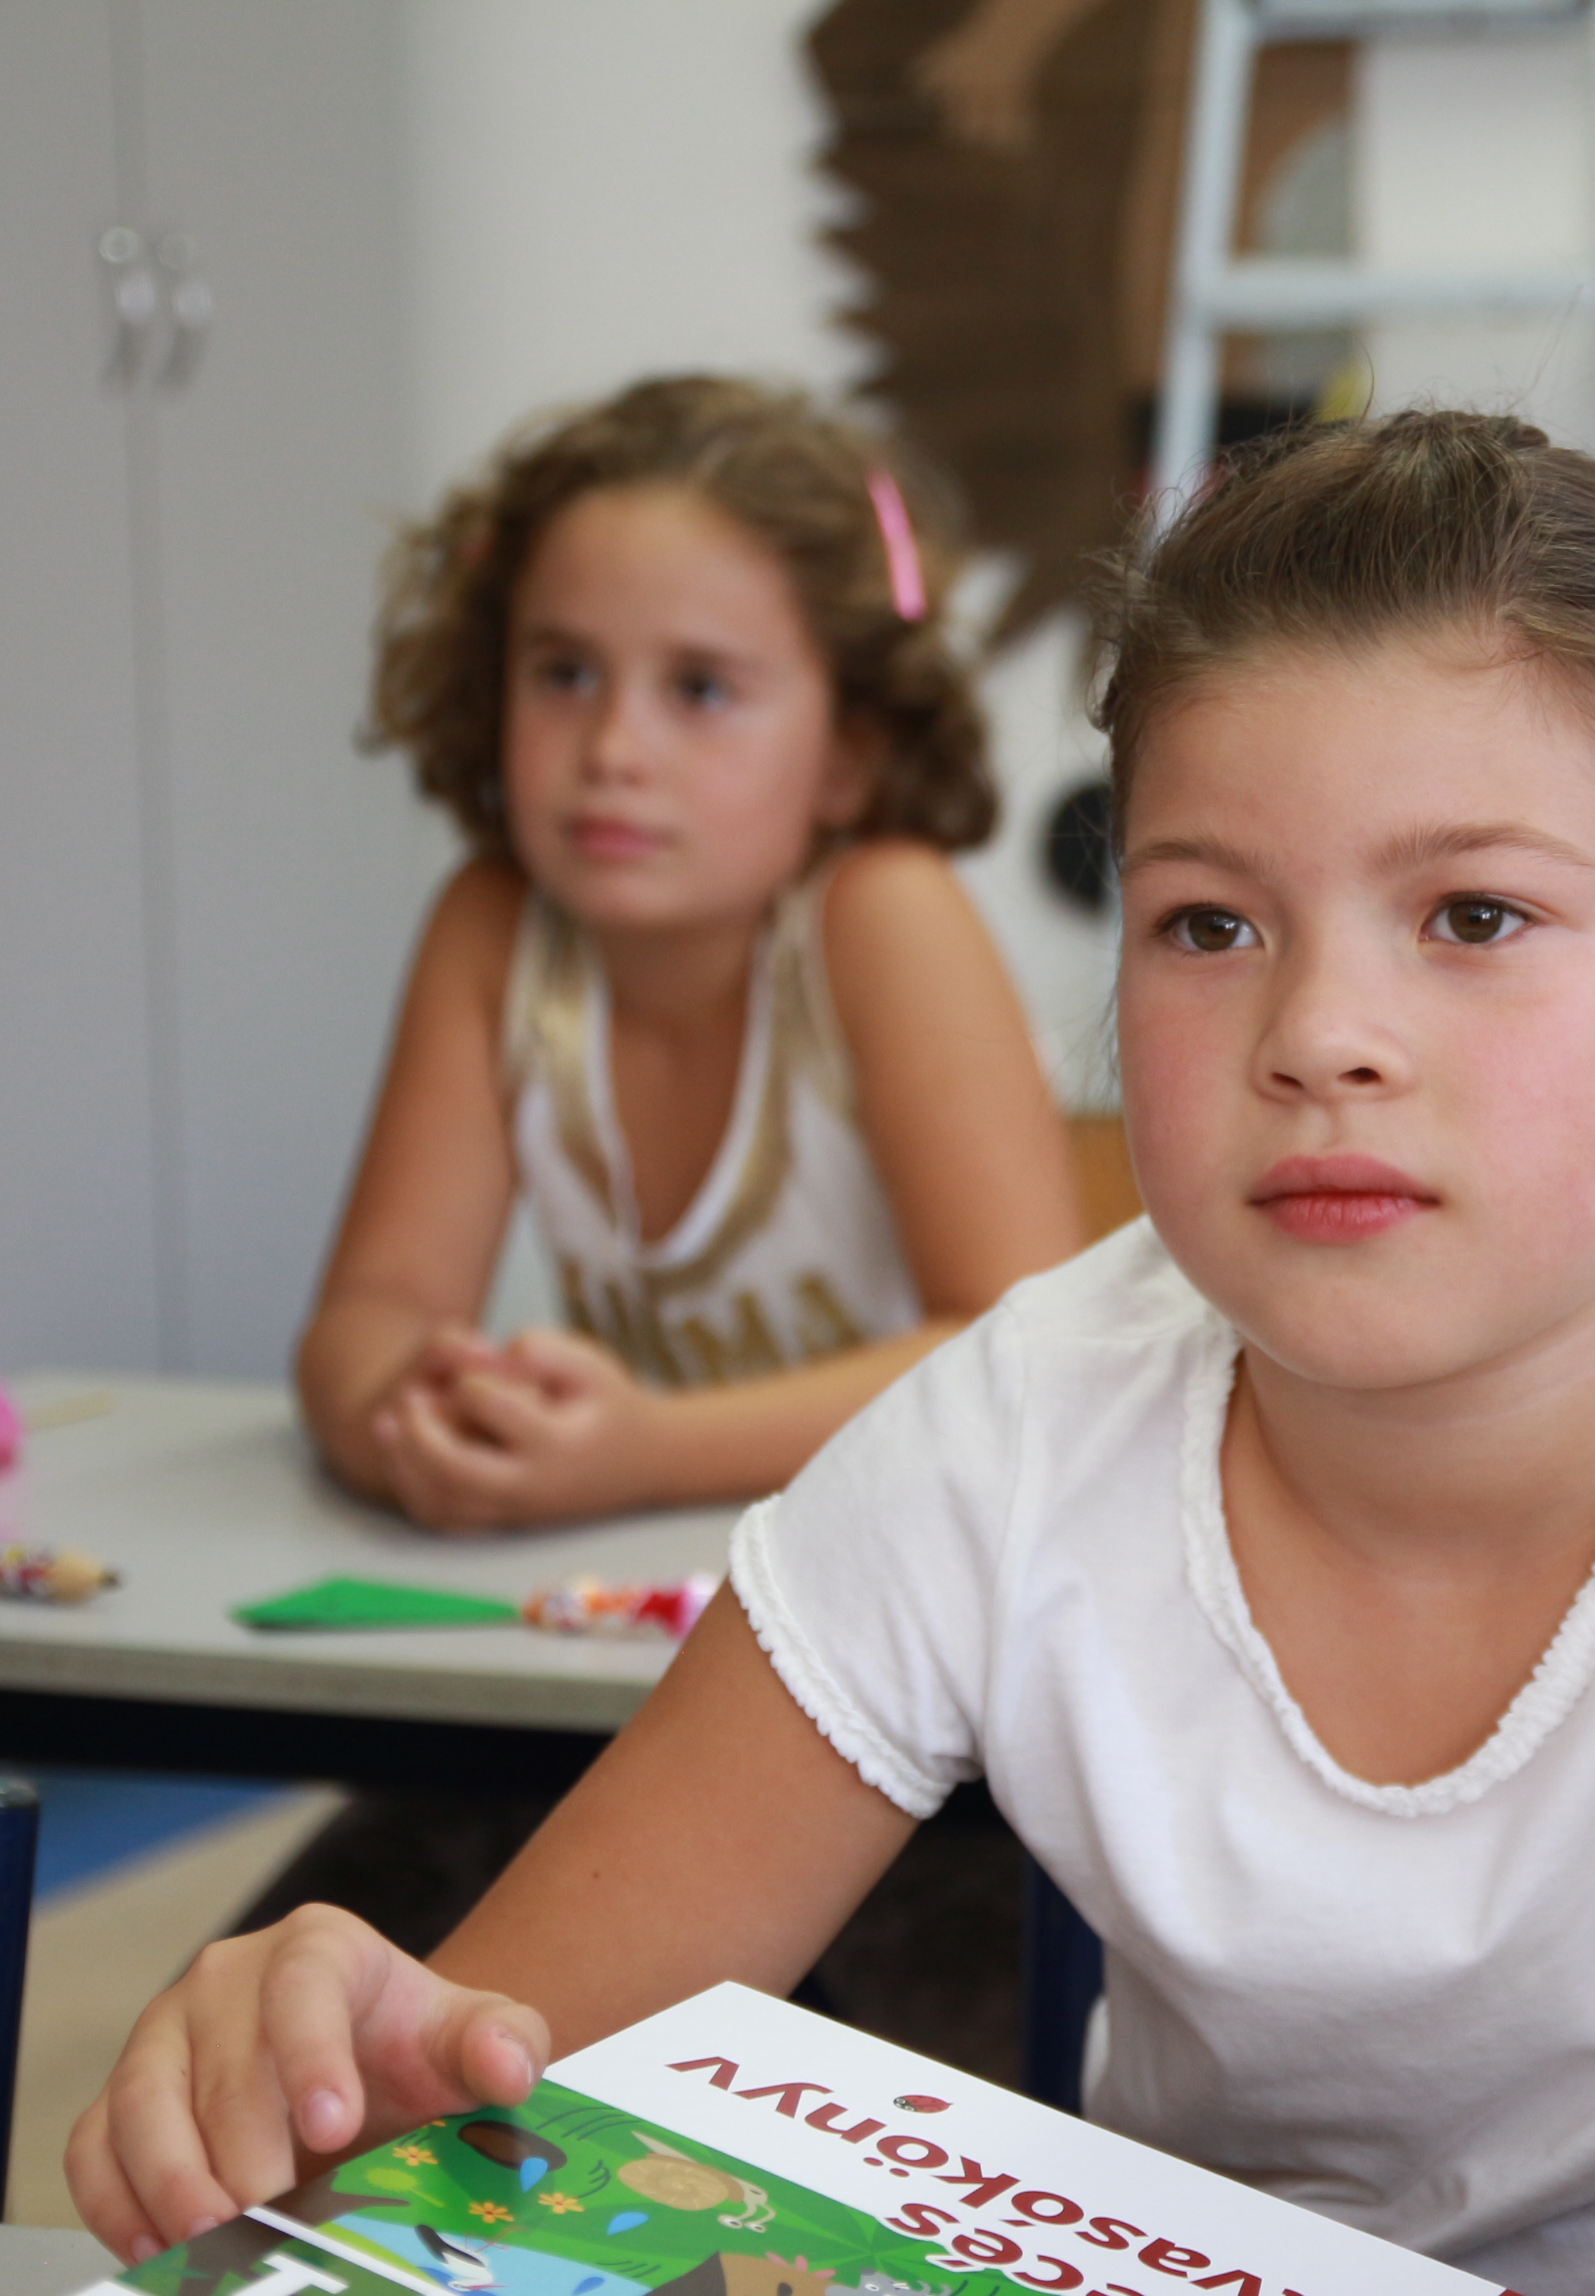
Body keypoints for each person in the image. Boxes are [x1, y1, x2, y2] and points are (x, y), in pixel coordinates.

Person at [74, 413, 1595, 2296]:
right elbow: (492, 2101)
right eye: (1209, 922)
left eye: (1474, 917)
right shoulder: (1020, 1426)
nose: (1322, 1032)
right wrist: (335, 2058)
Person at [299, 375, 1084, 1529]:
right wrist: (422, 1426)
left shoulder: (886, 918)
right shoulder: (493, 929)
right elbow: (372, 1309)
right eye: (564, 673)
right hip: (658, 1578)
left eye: (702, 689)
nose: (614, 749)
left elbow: (1018, 1357)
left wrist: (650, 1454)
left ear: (849, 752)